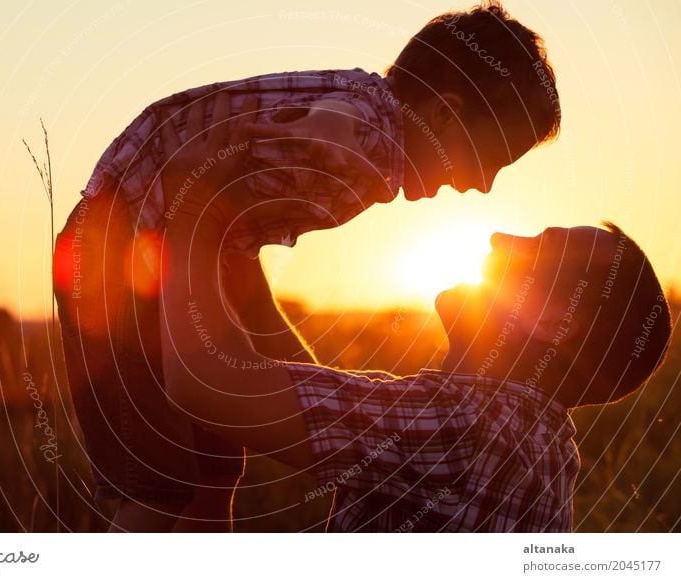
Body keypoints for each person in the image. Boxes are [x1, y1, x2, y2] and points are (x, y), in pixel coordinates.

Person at [54, 1, 562, 531]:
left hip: (149, 245)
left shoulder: (367, 102)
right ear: (443, 114)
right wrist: (288, 142)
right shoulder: (367, 144)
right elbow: (331, 129)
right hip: (115, 251)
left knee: (218, 468)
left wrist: (304, 374)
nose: (481, 185)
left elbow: (235, 239)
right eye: (488, 160)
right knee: (161, 483)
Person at [156, 97, 672, 532]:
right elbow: (326, 405)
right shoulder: (534, 442)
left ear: (553, 321)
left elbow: (207, 386)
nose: (500, 238)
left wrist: (196, 207)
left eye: (538, 249)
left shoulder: (465, 427)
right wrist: (244, 284)